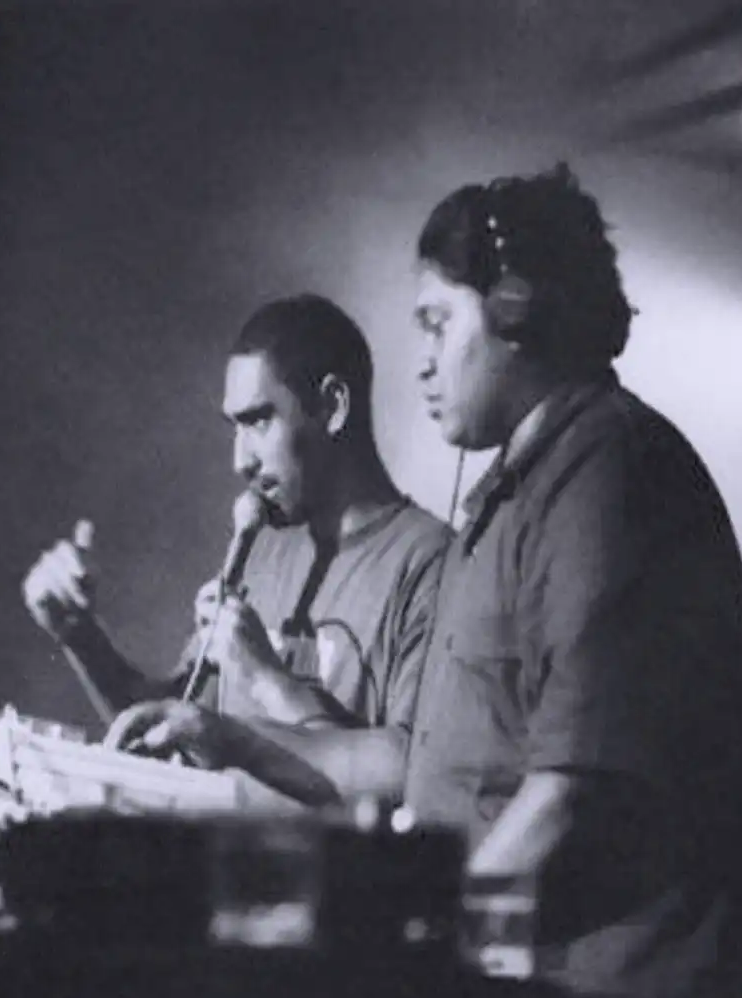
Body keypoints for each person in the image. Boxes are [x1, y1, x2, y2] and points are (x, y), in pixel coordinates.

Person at [402, 164, 742, 998]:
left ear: (516, 312)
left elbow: (570, 797)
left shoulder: (611, 474)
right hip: (511, 980)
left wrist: (419, 965)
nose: (421, 361)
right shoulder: (519, 491)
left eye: (437, 322)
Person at [23, 294, 450, 808]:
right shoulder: (264, 548)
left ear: (332, 406)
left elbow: (415, 772)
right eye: (235, 427)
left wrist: (268, 681)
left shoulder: (430, 561)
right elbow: (173, 727)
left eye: (259, 421)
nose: (239, 460)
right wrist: (79, 636)